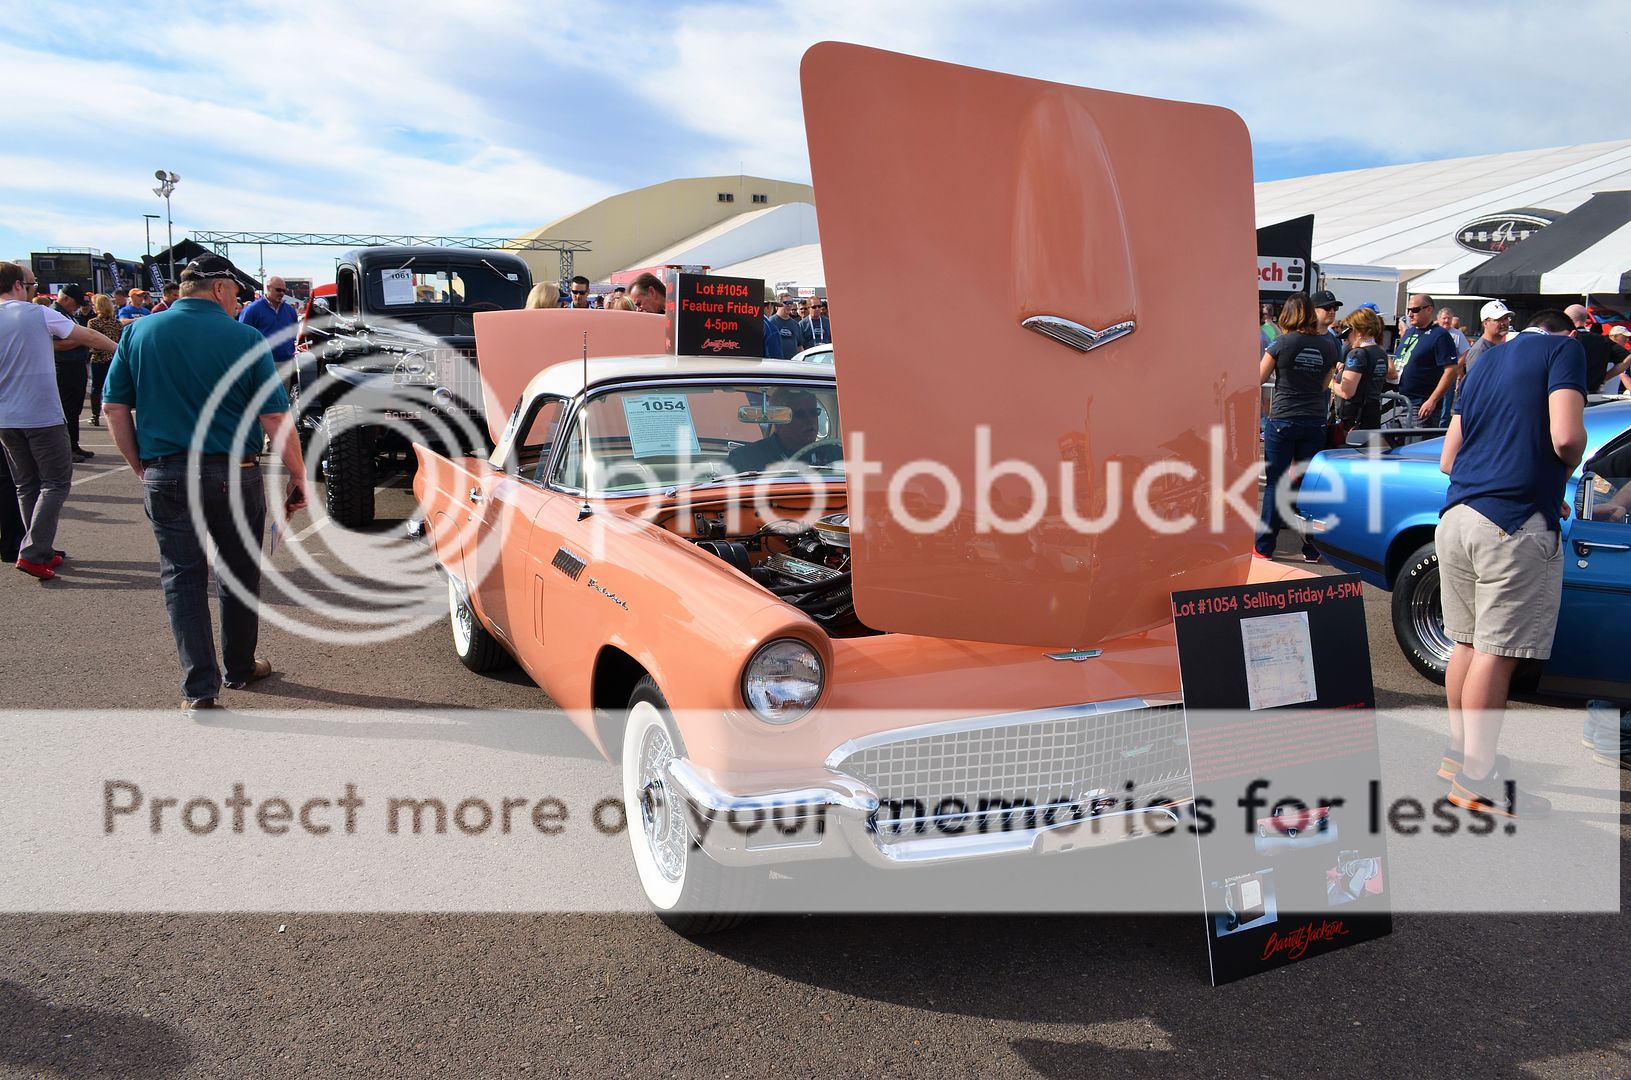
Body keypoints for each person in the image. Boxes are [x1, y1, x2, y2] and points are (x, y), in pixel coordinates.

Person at [101, 255, 308, 710]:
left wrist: (140, 464)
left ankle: (199, 687)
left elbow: (115, 407)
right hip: (236, 472)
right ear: (219, 289)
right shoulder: (245, 338)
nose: (238, 301)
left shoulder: (139, 332)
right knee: (237, 571)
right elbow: (274, 416)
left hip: (167, 472)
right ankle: (239, 665)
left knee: (182, 577)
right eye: (235, 292)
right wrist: (298, 473)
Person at [1436, 310, 1587, 817]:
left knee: (1466, 642)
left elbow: (1448, 459)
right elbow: (1566, 438)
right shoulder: (1563, 349)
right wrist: (1559, 473)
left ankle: (1460, 758)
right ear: (1567, 330)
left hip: (1457, 516)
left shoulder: (1483, 362)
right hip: (1513, 523)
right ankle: (1477, 781)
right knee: (1495, 655)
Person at [0, 262, 117, 580]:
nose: (33, 289)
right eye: (31, 284)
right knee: (55, 482)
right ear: (17, 286)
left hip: (6, 417)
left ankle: (37, 546)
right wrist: (120, 349)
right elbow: (87, 335)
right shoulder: (36, 314)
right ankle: (34, 551)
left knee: (26, 485)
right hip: (39, 413)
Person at [1255, 293, 1338, 562]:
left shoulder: (1281, 343)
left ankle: (1265, 547)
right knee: (1308, 486)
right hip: (1314, 420)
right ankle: (1312, 548)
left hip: (1283, 419)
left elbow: (1259, 377)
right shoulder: (1329, 346)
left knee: (1275, 484)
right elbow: (1326, 385)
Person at [724, 389, 833, 472]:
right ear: (779, 421)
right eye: (800, 414)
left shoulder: (835, 454)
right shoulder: (745, 459)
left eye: (814, 412)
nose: (810, 420)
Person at [1394, 293, 1459, 423]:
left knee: (1415, 443)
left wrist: (1432, 400)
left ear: (1429, 309)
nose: (1410, 314)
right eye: (1408, 310)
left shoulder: (1440, 335)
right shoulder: (1410, 332)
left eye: (1415, 310)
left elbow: (1451, 370)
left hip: (1420, 406)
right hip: (1399, 402)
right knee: (1381, 441)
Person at [50, 284, 95, 462]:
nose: (77, 307)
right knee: (67, 410)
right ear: (65, 298)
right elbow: (55, 344)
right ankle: (66, 449)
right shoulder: (55, 314)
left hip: (75, 366)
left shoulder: (67, 314)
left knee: (74, 409)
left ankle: (73, 445)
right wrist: (82, 339)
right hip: (64, 367)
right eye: (75, 304)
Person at [1332, 307, 1392, 431]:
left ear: (1358, 332)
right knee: (1371, 449)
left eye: (1348, 334)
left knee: (1349, 450)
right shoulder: (1381, 353)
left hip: (1355, 418)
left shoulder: (1357, 354)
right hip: (1373, 414)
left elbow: (1346, 392)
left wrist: (1328, 381)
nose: (1347, 340)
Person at [238, 276, 299, 371]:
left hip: (286, 363)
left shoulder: (290, 310)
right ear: (268, 288)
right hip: (262, 365)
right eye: (278, 290)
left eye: (284, 290)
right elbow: (242, 337)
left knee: (284, 387)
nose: (282, 293)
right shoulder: (252, 310)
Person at [1564, 304, 1626, 394]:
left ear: (1567, 319)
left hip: (1568, 389)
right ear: (1585, 319)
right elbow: (1627, 358)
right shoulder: (1602, 340)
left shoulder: (1564, 339)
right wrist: (1604, 378)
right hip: (1594, 391)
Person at [86, 293, 122, 426]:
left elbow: (91, 341)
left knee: (96, 387)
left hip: (99, 358)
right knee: (114, 386)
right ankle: (117, 413)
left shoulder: (93, 322)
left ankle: (95, 416)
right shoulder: (116, 323)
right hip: (114, 357)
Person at [1462, 300, 1513, 377]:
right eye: (1498, 319)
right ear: (1485, 323)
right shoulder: (1479, 351)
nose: (1504, 323)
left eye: (1506, 318)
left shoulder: (1504, 346)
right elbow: (1476, 383)